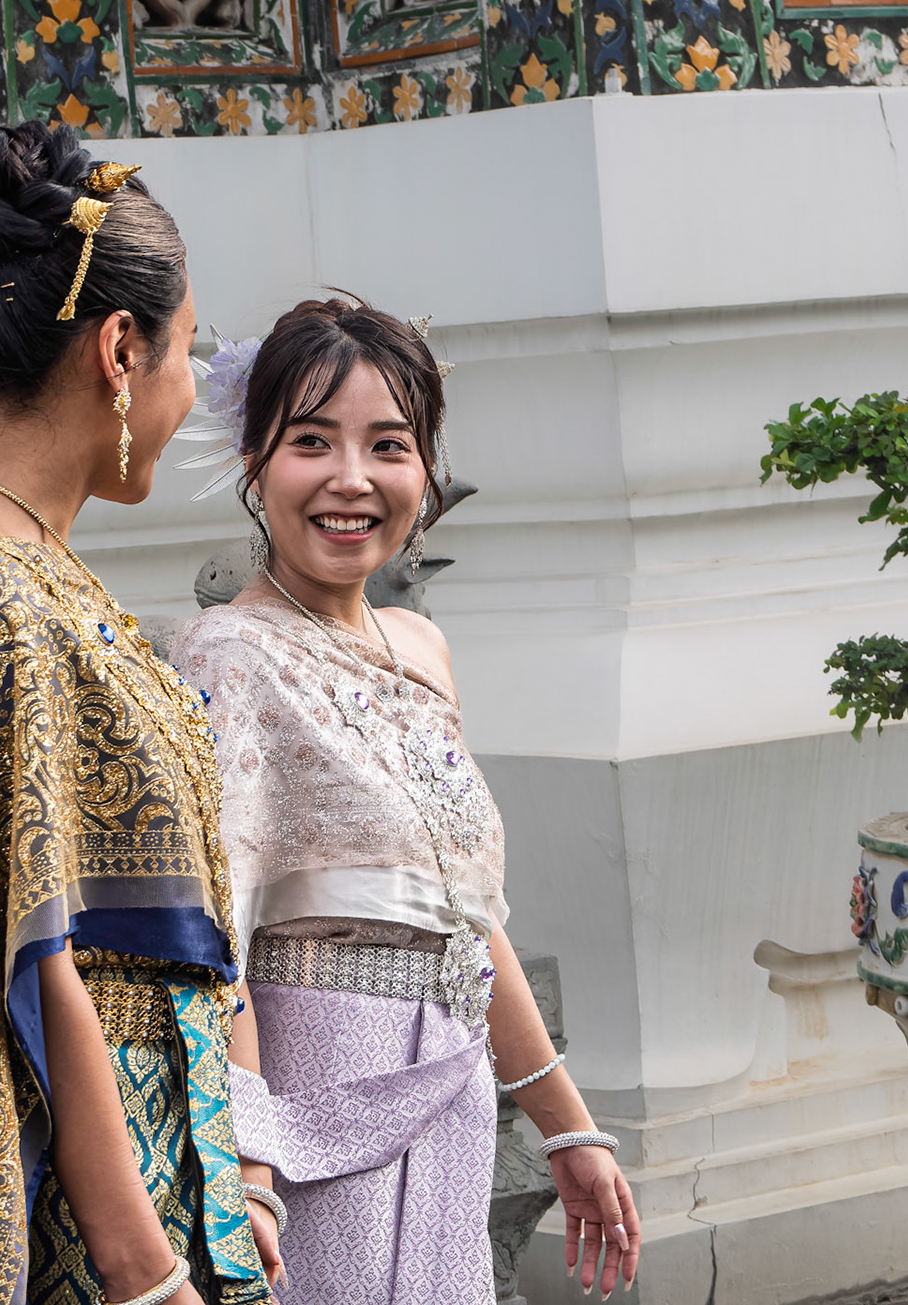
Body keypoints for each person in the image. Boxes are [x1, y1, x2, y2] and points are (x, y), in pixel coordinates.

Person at [0, 123, 271, 1305]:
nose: (193, 390)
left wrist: (228, 1183)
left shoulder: (36, 568)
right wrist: (143, 1269)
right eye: (187, 351)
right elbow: (30, 957)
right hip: (95, 1216)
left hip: (170, 1165)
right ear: (120, 348)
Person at [168, 299, 642, 1304]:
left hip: (451, 1091)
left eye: (388, 445)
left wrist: (568, 1126)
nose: (351, 478)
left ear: (424, 469)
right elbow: (219, 929)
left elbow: (469, 920)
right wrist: (250, 1167)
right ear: (255, 464)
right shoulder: (227, 655)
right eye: (310, 442)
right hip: (316, 1103)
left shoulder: (422, 649)